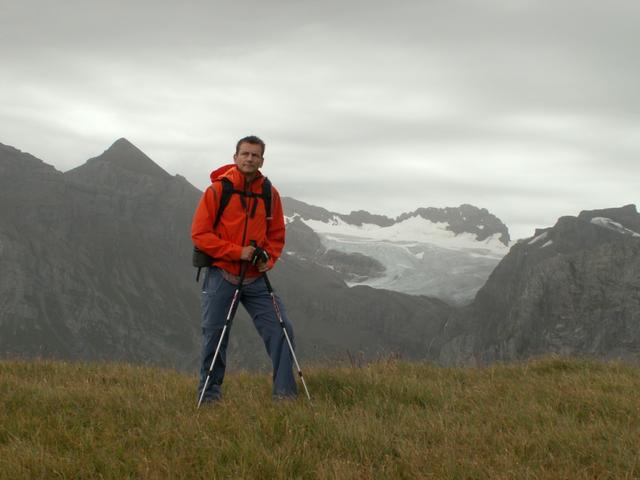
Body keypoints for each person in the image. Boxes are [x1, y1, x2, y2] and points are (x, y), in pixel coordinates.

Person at [191, 135, 297, 403]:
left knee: (282, 329)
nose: (250, 159)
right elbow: (200, 235)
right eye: (245, 154)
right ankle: (209, 397)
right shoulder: (217, 191)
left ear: (262, 160)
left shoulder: (269, 194)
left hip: (256, 277)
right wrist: (238, 252)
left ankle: (285, 396)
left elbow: (276, 234)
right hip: (222, 274)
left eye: (255, 155)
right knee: (215, 336)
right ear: (235, 157)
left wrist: (268, 259)